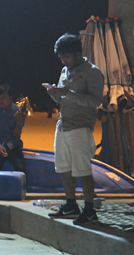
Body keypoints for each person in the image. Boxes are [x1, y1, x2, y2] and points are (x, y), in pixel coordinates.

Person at [43, 33, 105, 224]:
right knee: (65, 167)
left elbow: (95, 101)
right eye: (60, 56)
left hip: (80, 126)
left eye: (66, 56)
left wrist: (68, 93)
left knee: (82, 168)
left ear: (78, 54)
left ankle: (89, 209)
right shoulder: (65, 70)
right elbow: (62, 98)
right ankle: (71, 204)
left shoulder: (92, 72)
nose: (63, 60)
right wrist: (54, 93)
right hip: (63, 124)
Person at [0, 84, 27, 174]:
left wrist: (19, 123)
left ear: (10, 97)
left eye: (4, 97)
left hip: (14, 145)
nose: (0, 101)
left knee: (21, 169)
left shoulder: (18, 112)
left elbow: (16, 135)